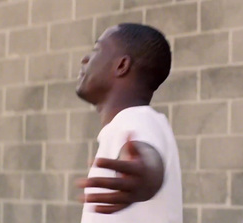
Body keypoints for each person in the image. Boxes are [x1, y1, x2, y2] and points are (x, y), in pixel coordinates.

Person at [75, 23, 183, 223]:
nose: (85, 59)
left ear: (121, 66)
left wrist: (146, 176)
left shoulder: (137, 120)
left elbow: (149, 157)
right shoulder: (141, 121)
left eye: (96, 50)